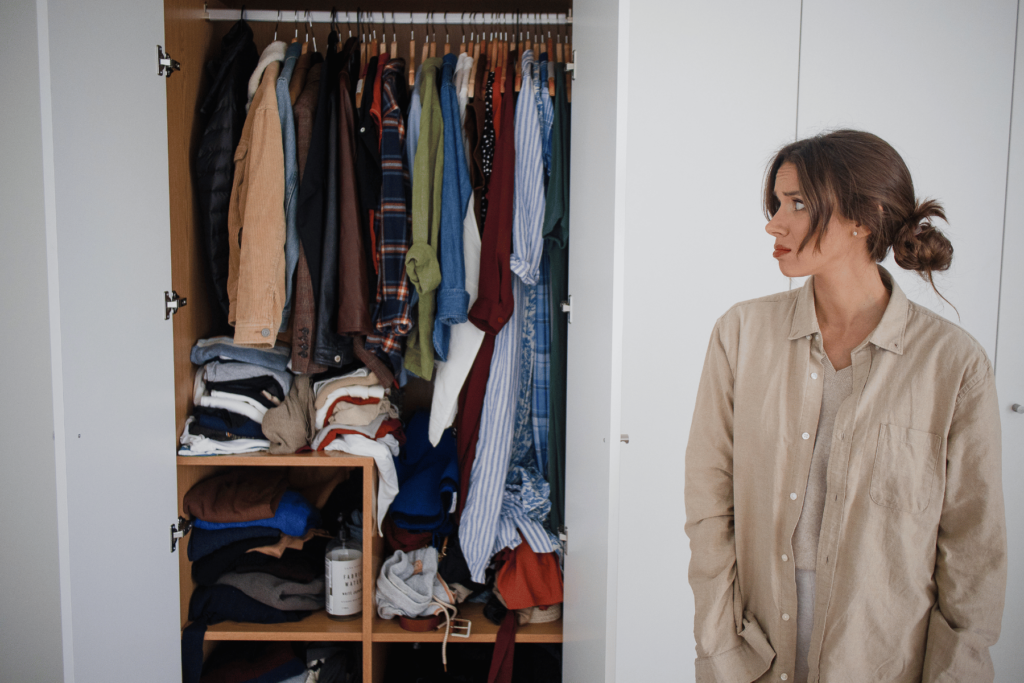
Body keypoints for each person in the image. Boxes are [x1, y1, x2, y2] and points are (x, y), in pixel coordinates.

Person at [684, 130, 1006, 683]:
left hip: (884, 662)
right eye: (777, 203)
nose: (774, 223)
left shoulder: (954, 364)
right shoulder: (740, 334)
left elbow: (973, 552)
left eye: (799, 204)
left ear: (864, 218)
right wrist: (718, 646)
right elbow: (709, 505)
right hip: (753, 658)